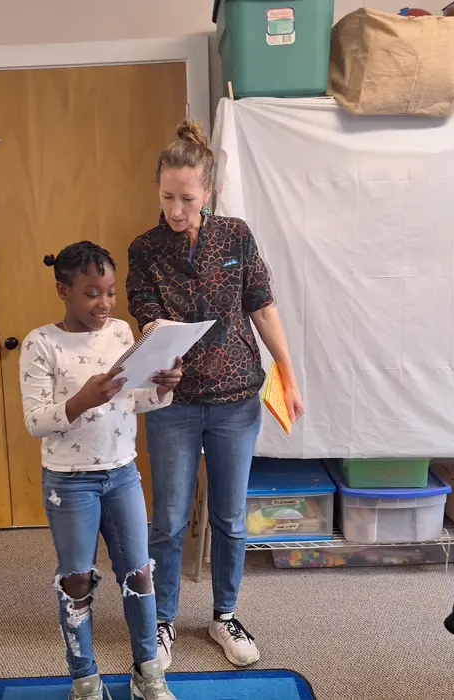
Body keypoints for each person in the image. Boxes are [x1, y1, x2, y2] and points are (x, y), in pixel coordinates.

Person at [126, 121, 304, 670]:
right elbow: (147, 325)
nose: (176, 209)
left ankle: (225, 615)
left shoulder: (236, 236)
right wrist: (160, 365)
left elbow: (261, 304)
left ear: (209, 193)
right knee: (170, 520)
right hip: (174, 406)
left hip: (236, 400)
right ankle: (162, 622)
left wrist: (288, 371)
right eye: (166, 197)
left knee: (230, 518)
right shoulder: (145, 249)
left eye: (186, 197)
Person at [19, 241, 182, 700]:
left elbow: (135, 400)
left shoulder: (122, 334)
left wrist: (164, 389)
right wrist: (80, 401)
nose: (105, 303)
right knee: (76, 580)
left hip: (122, 474)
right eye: (92, 293)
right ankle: (85, 679)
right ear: (63, 291)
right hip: (69, 484)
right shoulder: (40, 344)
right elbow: (35, 421)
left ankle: (148, 672)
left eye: (110, 291)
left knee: (138, 572)